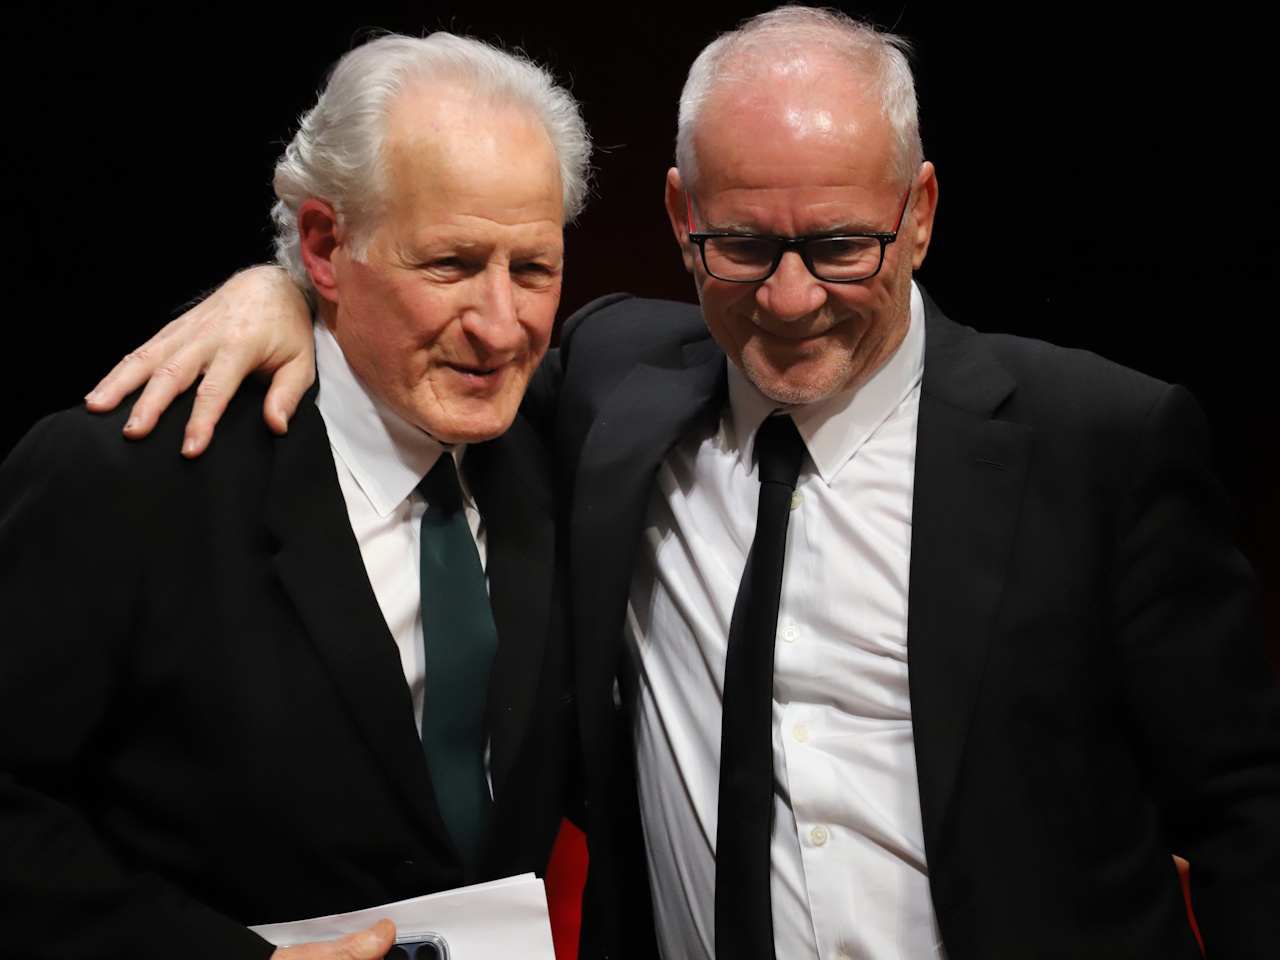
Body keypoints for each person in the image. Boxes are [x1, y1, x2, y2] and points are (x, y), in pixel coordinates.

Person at [84, 8, 1280, 960]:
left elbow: (1242, 804)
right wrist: (287, 290)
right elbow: (429, 331)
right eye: (742, 246)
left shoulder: (1099, 441)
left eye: (840, 245)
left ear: (917, 214)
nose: (790, 298)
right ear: (678, 216)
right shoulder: (611, 385)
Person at [0, 31, 589, 960]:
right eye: (449, 264)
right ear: (324, 245)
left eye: (533, 269)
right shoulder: (119, 478)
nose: (500, 325)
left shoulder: (573, 443)